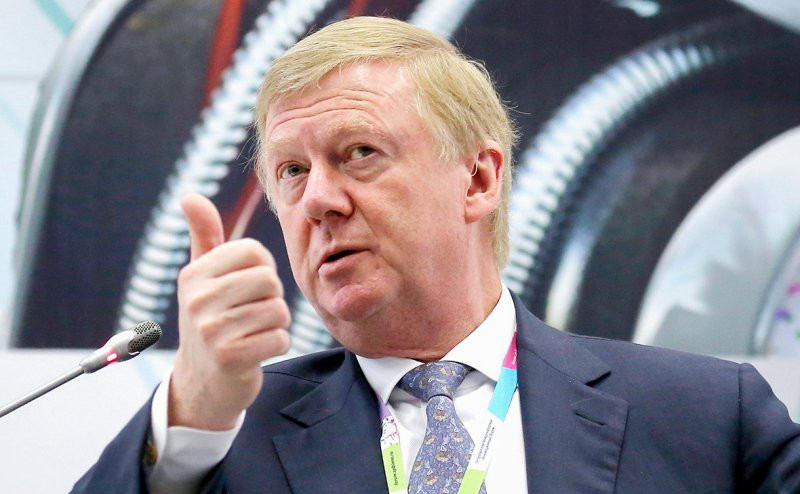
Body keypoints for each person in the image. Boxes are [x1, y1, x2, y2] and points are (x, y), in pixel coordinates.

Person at [73, 16, 800, 493]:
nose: (318, 199)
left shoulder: (704, 417)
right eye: (291, 171)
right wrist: (197, 409)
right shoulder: (225, 439)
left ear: (478, 179)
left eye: (359, 153)